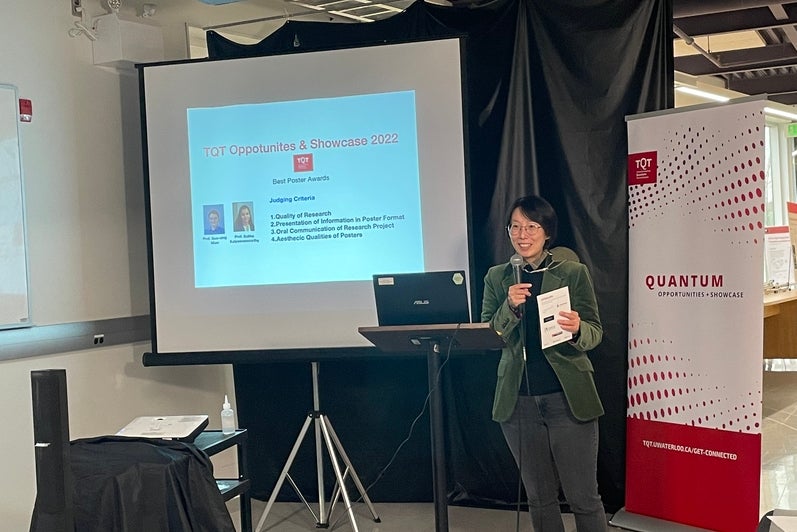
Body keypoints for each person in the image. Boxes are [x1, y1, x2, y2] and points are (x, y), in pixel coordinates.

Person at [481, 195, 607, 532]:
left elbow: (595, 333)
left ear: (546, 232)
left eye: (531, 226)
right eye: (516, 227)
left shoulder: (572, 272)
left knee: (583, 497)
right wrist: (508, 307)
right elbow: (489, 337)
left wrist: (579, 328)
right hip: (518, 402)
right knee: (539, 497)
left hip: (567, 398)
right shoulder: (497, 278)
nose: (523, 234)